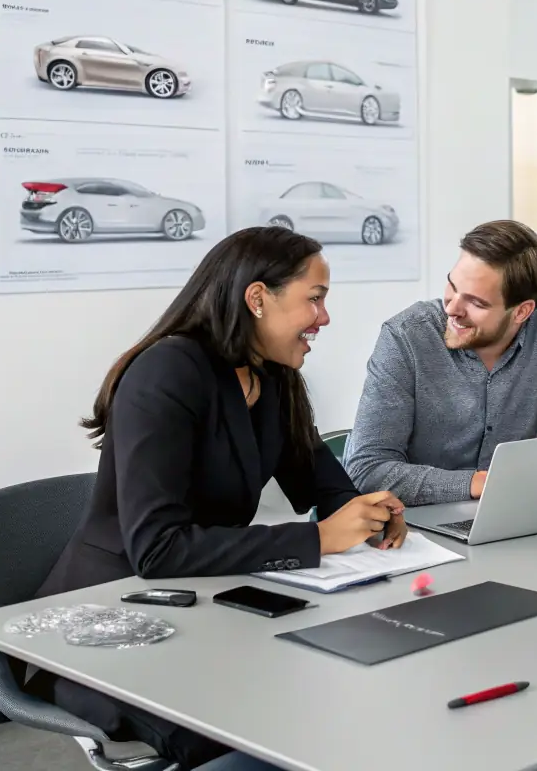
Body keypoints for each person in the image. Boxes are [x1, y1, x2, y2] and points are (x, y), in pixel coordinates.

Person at [26, 227, 407, 770]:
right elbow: (156, 551)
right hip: (104, 620)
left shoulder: (272, 374)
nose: (324, 318)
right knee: (254, 730)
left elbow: (319, 478)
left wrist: (367, 511)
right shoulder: (167, 372)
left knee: (324, 692)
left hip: (203, 607)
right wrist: (319, 538)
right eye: (315, 299)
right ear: (257, 299)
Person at [345, 219, 537, 505]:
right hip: (418, 527)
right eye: (452, 286)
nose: (452, 309)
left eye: (476, 303)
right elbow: (368, 469)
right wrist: (480, 483)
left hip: (513, 511)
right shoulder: (405, 336)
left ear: (522, 312)